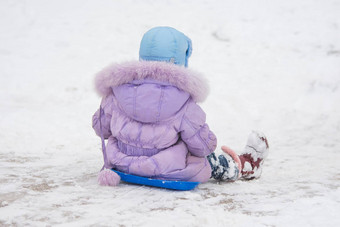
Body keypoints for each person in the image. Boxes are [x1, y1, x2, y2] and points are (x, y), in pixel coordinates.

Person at [92, 26, 269, 186]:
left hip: (121, 165)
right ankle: (244, 166)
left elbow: (101, 129)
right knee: (206, 159)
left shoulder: (116, 92)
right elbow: (203, 147)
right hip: (167, 169)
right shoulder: (182, 99)